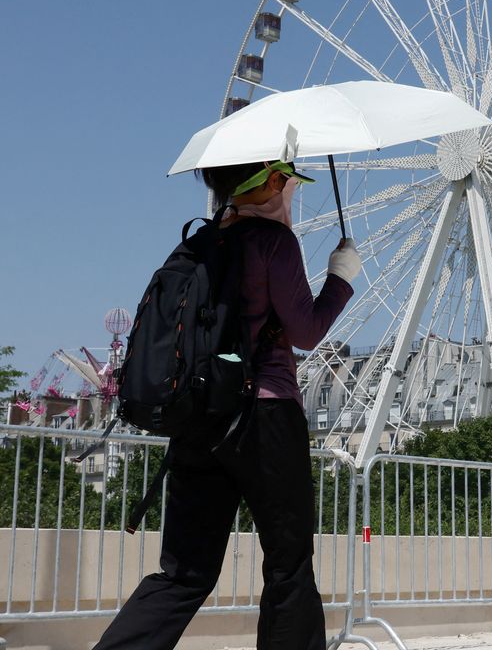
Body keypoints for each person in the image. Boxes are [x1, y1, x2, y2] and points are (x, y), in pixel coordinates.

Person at [94, 160, 360, 650]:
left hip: (198, 419)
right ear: (274, 182)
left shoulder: (195, 243)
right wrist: (340, 280)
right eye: (291, 181)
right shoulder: (273, 243)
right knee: (288, 567)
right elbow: (307, 331)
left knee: (183, 572)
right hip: (265, 415)